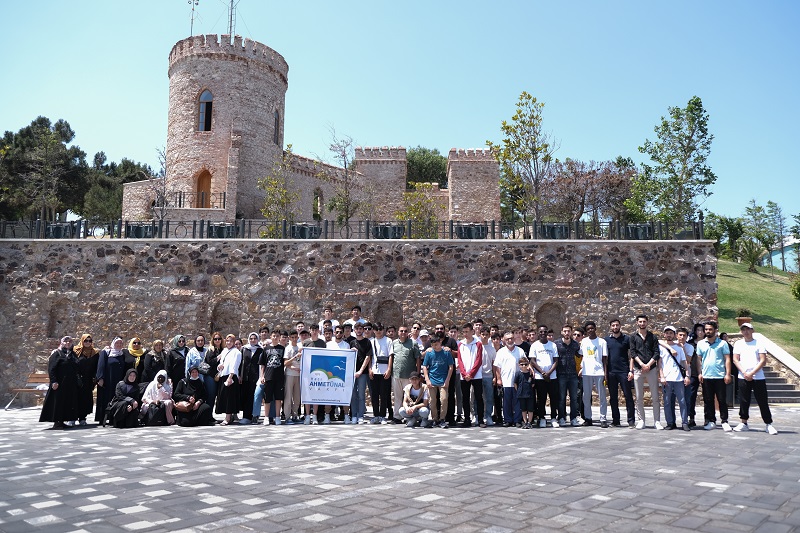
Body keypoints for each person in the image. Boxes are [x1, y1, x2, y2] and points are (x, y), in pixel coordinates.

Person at [732, 323, 778, 434]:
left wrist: (752, 373)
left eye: (748, 329)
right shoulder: (738, 344)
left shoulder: (759, 343)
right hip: (743, 376)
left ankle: (768, 423)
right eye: (743, 330)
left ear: (752, 330)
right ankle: (744, 422)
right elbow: (735, 359)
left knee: (762, 400)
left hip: (758, 377)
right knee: (744, 400)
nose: (746, 332)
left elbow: (762, 360)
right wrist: (744, 372)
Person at [696, 321, 733, 432]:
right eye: (706, 329)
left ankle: (724, 421)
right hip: (706, 376)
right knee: (708, 400)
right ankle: (710, 421)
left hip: (720, 376)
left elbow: (727, 359)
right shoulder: (701, 344)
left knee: (722, 400)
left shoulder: (722, 343)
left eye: (710, 329)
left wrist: (727, 374)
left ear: (715, 330)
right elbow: (699, 360)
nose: (707, 331)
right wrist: (700, 373)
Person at [39, 336, 81, 430]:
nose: (68, 343)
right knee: (57, 402)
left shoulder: (72, 354)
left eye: (70, 341)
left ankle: (62, 421)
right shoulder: (56, 354)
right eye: (65, 341)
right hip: (59, 383)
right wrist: (53, 381)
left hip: (69, 384)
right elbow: (52, 369)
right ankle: (57, 422)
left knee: (66, 402)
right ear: (62, 343)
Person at [630, 315, 663, 430]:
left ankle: (657, 421)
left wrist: (648, 364)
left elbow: (656, 352)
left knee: (655, 396)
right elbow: (633, 353)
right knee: (639, 397)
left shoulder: (652, 337)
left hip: (651, 369)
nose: (642, 323)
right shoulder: (633, 337)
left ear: (647, 322)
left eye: (644, 321)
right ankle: (641, 420)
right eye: (640, 321)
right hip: (638, 369)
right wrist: (642, 365)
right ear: (637, 323)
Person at [659, 326, 691, 431]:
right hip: (667, 378)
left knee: (682, 401)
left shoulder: (679, 347)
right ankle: (670, 422)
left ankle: (684, 422)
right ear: (664, 334)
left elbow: (684, 362)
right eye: (667, 333)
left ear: (674, 335)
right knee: (667, 401)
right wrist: (662, 376)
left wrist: (687, 375)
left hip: (678, 378)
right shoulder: (661, 347)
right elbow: (659, 363)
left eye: (671, 333)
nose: (669, 335)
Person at [605, 319, 635, 428]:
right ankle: (615, 420)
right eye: (613, 325)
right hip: (611, 372)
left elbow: (632, 355)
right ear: (610, 327)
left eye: (617, 325)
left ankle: (631, 420)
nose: (615, 327)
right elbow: (604, 358)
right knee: (613, 397)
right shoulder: (606, 340)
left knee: (628, 396)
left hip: (624, 371)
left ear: (620, 326)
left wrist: (631, 370)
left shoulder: (626, 339)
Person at [530, 325, 559, 428]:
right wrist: (543, 373)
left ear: (547, 333)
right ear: (538, 333)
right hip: (539, 377)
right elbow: (533, 361)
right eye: (541, 332)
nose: (543, 333)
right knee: (541, 399)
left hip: (552, 376)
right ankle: (542, 418)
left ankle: (553, 418)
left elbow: (556, 361)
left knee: (553, 398)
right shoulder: (534, 345)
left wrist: (549, 373)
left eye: (545, 332)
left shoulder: (553, 345)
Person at [391, 325, 422, 424]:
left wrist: (417, 374)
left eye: (405, 331)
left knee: (409, 397)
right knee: (397, 397)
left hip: (409, 377)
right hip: (396, 374)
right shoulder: (394, 343)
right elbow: (391, 357)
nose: (403, 333)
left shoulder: (413, 343)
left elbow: (418, 358)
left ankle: (409, 416)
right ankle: (397, 416)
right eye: (401, 331)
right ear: (398, 332)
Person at [457, 323, 485, 428]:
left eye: (467, 332)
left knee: (478, 397)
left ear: (472, 332)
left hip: (476, 375)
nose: (465, 334)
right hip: (464, 376)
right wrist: (464, 373)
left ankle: (480, 419)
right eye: (463, 332)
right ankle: (467, 419)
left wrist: (471, 374)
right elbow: (460, 360)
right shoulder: (461, 344)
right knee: (465, 398)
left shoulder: (478, 343)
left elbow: (478, 360)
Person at [421, 334, 453, 428]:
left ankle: (442, 419)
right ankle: (435, 419)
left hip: (443, 380)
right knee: (432, 400)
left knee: (443, 399)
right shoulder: (429, 353)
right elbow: (424, 366)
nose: (435, 346)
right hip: (432, 380)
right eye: (433, 344)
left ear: (440, 343)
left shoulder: (446, 353)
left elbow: (451, 367)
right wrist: (427, 379)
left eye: (436, 344)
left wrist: (447, 380)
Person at [255, 331, 286, 425]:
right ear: (271, 337)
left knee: (278, 398)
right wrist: (262, 376)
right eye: (274, 336)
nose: (275, 337)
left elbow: (285, 362)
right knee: (267, 398)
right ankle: (266, 417)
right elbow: (262, 364)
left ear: (280, 337)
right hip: (268, 376)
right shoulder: (266, 349)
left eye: (277, 336)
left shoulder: (283, 348)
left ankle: (277, 417)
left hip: (279, 377)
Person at [95, 337, 128, 424]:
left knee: (116, 398)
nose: (119, 345)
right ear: (113, 343)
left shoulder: (122, 354)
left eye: (121, 343)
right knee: (105, 399)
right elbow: (101, 365)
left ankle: (114, 417)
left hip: (118, 381)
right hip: (107, 380)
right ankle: (103, 418)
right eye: (117, 343)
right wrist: (100, 378)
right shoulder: (106, 352)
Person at [494, 332, 523, 427]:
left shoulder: (520, 351)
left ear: (514, 339)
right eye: (507, 339)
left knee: (517, 402)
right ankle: (508, 420)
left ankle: (517, 420)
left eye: (511, 338)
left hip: (517, 382)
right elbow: (497, 367)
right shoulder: (500, 352)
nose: (509, 340)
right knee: (506, 402)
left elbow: (524, 363)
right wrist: (498, 379)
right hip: (505, 381)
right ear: (504, 340)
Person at [555, 325, 581, 427]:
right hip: (561, 374)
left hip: (573, 375)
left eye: (568, 331)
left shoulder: (575, 344)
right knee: (561, 398)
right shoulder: (556, 344)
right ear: (562, 332)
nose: (567, 333)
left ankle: (573, 418)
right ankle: (561, 417)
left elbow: (581, 356)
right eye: (565, 331)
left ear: (571, 332)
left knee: (574, 398)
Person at [369, 322, 393, 424]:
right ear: (373, 330)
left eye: (380, 329)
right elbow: (369, 356)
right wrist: (369, 369)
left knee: (384, 395)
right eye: (376, 329)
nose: (378, 331)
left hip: (384, 371)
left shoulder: (388, 340)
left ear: (383, 330)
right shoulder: (371, 341)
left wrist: (389, 369)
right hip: (374, 371)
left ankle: (383, 415)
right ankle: (376, 415)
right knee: (374, 395)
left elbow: (391, 355)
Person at [349, 322, 374, 424]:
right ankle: (353, 415)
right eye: (357, 329)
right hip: (352, 373)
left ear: (363, 330)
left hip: (362, 373)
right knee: (353, 395)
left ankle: (360, 415)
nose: (359, 330)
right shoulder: (351, 343)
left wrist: (360, 371)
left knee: (361, 395)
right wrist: (350, 351)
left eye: (360, 329)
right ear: (354, 330)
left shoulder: (367, 342)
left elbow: (368, 357)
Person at [215, 334, 242, 426]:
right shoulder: (225, 351)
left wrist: (230, 377)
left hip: (231, 376)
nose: (228, 343)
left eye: (230, 341)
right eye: (227, 341)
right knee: (224, 397)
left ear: (234, 342)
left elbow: (235, 366)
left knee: (229, 398)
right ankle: (228, 416)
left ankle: (228, 418)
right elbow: (222, 362)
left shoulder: (236, 352)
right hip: (223, 375)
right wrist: (220, 366)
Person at [74, 333, 99, 426]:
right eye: (86, 341)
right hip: (77, 379)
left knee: (85, 399)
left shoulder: (94, 353)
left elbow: (96, 367)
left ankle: (82, 418)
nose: (88, 343)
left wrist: (94, 378)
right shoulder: (76, 351)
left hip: (88, 380)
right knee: (75, 398)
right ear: (82, 341)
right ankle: (72, 417)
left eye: (90, 341)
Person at [677, 327, 700, 427]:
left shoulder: (690, 347)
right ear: (676, 335)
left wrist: (682, 348)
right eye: (680, 335)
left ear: (687, 337)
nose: (682, 337)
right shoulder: (671, 344)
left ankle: (686, 419)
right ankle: (671, 421)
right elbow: (660, 341)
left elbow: (688, 361)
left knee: (688, 398)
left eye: (684, 335)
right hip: (674, 374)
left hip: (686, 374)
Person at [239, 332, 263, 424]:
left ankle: (255, 416)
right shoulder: (244, 349)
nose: (253, 340)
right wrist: (240, 375)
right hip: (245, 377)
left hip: (256, 377)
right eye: (251, 338)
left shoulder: (261, 350)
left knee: (255, 397)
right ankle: (246, 416)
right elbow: (241, 363)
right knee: (246, 397)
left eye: (255, 338)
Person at [478, 326, 496, 426]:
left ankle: (488, 415)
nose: (484, 337)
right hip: (478, 375)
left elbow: (494, 363)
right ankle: (477, 415)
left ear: (489, 336)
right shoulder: (477, 347)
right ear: (480, 335)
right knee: (477, 397)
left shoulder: (492, 349)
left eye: (486, 335)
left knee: (489, 397)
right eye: (483, 334)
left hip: (488, 375)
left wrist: (494, 376)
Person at [283, 330, 302, 423]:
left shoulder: (300, 347)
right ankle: (287, 417)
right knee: (288, 396)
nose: (294, 339)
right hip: (290, 374)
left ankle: (295, 415)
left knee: (297, 397)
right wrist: (295, 357)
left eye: (296, 337)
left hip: (299, 375)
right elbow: (285, 363)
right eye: (292, 337)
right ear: (290, 338)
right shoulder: (288, 348)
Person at [204, 332, 224, 409]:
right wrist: (219, 357)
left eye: (219, 339)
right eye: (215, 339)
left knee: (217, 395)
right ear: (213, 340)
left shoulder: (223, 349)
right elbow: (210, 362)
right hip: (211, 376)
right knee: (211, 396)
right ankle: (208, 416)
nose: (217, 340)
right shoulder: (211, 349)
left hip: (219, 376)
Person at [515, 356, 535, 428]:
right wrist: (518, 391)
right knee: (523, 409)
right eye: (522, 364)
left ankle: (529, 422)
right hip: (521, 394)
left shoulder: (530, 374)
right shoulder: (518, 373)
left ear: (528, 364)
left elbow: (533, 384)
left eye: (525, 364)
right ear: (519, 365)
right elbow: (515, 383)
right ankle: (525, 422)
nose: (524, 366)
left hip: (529, 394)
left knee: (530, 409)